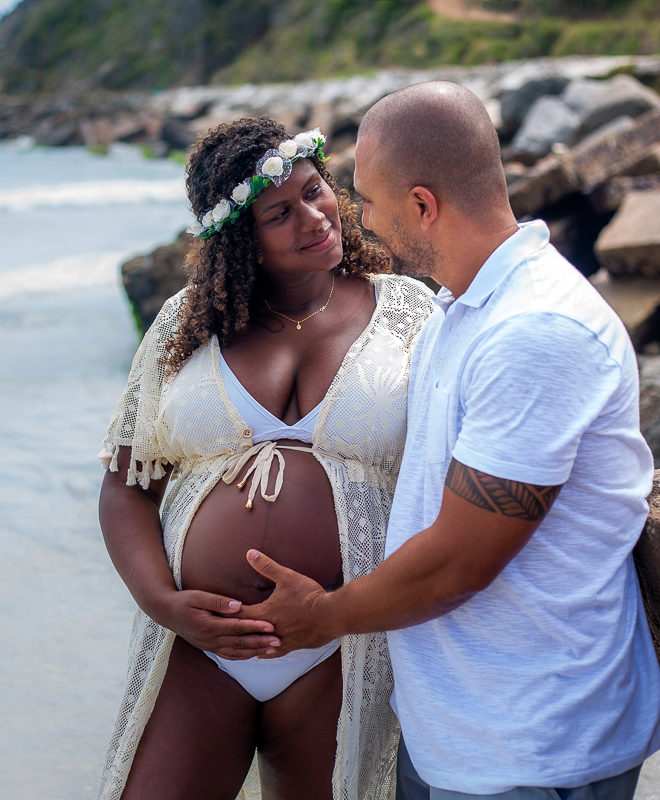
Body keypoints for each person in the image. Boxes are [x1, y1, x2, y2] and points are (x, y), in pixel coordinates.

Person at [235, 81, 660, 799]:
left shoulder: (535, 330)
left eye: (368, 200)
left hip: (533, 742)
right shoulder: (461, 310)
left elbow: (461, 563)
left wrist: (322, 617)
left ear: (422, 205)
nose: (360, 220)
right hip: (455, 729)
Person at [96, 116, 435, 800]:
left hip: (342, 643)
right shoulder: (187, 327)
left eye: (314, 191)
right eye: (279, 214)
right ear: (240, 240)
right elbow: (126, 486)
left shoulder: (408, 312)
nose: (314, 217)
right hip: (200, 648)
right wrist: (163, 603)